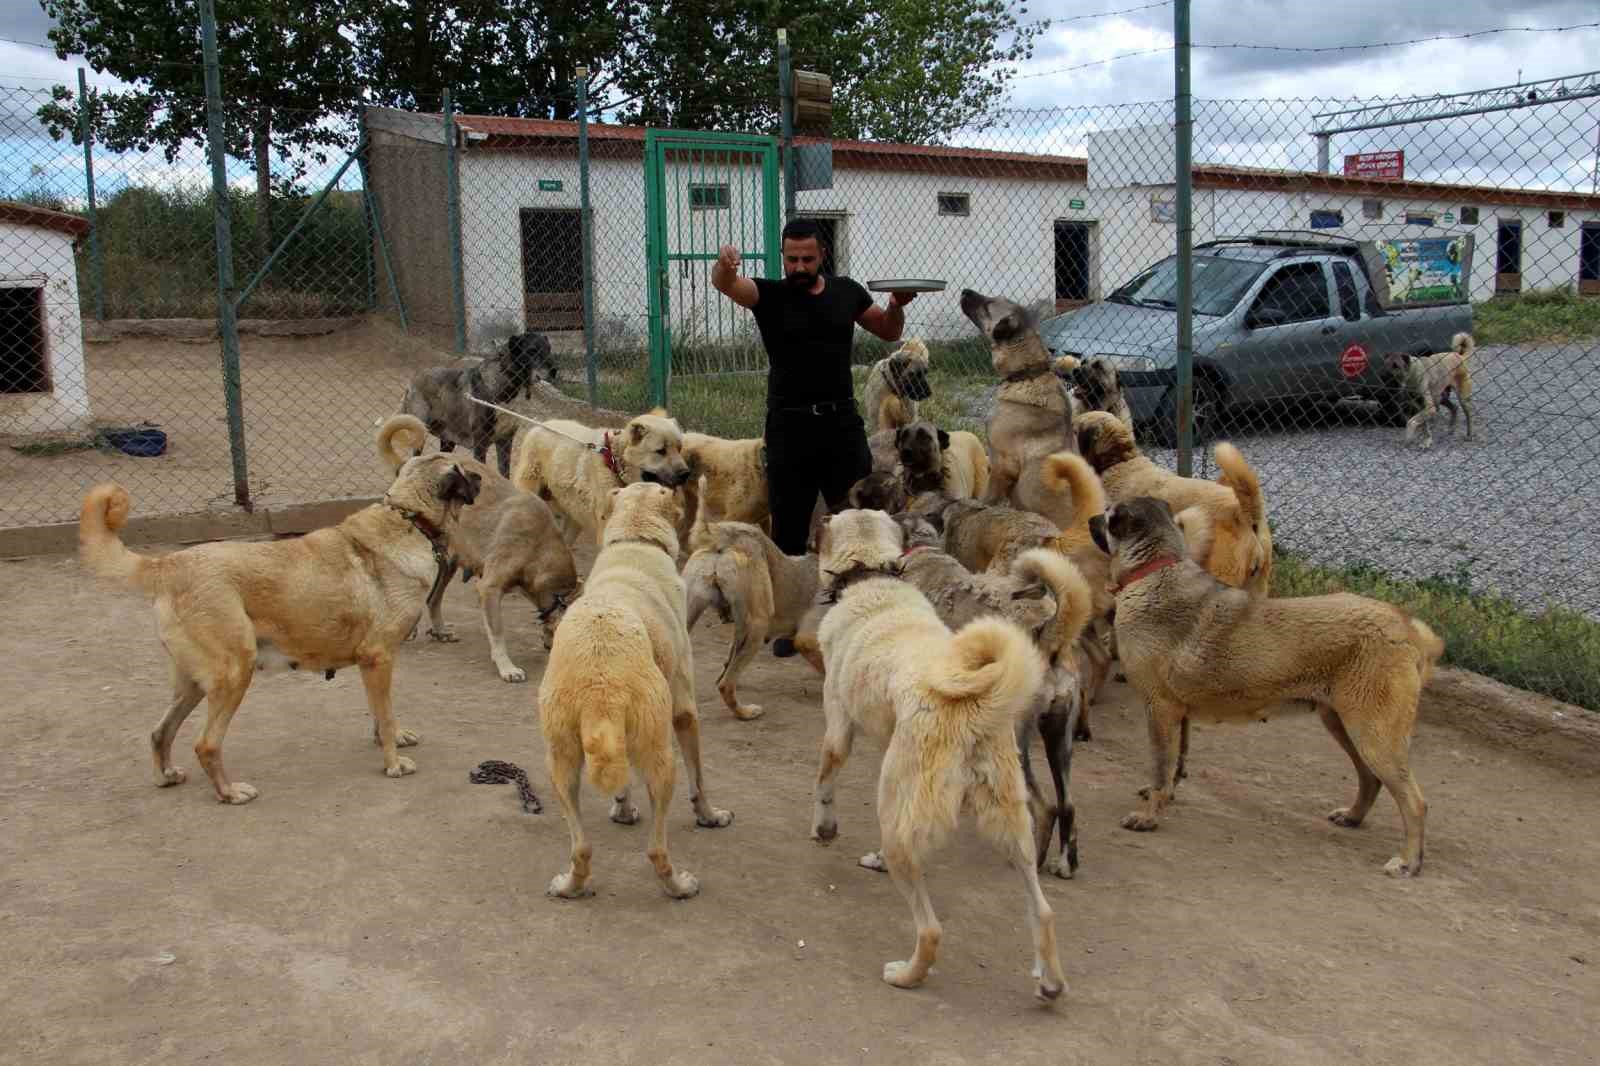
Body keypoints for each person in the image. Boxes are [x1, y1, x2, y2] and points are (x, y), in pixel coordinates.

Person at [711, 217, 915, 562]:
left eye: (807, 259)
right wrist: (724, 265)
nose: (799, 266)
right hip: (789, 429)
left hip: (841, 426)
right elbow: (727, 284)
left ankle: (856, 600)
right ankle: (791, 610)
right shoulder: (769, 294)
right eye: (792, 260)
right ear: (783, 257)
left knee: (858, 521)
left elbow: (888, 331)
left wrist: (896, 305)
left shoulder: (846, 292)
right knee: (788, 532)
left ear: (822, 254)